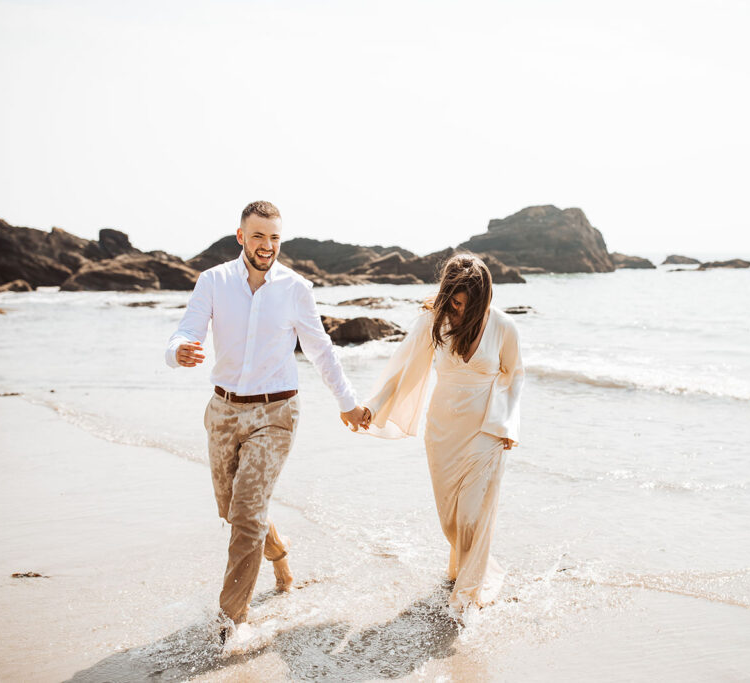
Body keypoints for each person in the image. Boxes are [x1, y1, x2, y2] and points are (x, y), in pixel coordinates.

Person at [165, 200, 368, 641]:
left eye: (274, 237)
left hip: (277, 412)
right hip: (222, 411)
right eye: (258, 236)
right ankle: (277, 552)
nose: (267, 245)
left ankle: (231, 619)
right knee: (233, 509)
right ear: (241, 237)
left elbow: (320, 349)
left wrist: (347, 402)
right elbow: (187, 330)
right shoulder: (214, 281)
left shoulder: (295, 288)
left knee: (247, 511)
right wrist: (178, 352)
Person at [359, 253, 524, 614]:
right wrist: (372, 406)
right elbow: (402, 368)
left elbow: (514, 376)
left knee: (472, 516)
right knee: (451, 520)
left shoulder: (504, 327)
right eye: (455, 300)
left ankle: (465, 598)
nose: (460, 310)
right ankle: (469, 569)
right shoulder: (433, 321)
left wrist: (508, 425)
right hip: (442, 432)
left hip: (486, 432)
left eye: (468, 304)